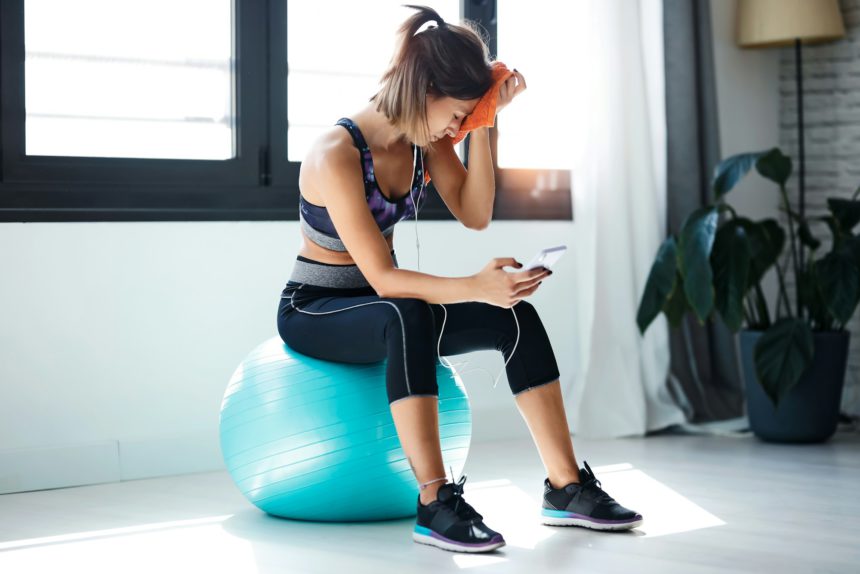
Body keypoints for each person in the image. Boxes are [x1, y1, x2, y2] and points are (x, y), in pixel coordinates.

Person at [277, 4, 643, 554]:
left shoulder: (427, 140)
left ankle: (566, 488)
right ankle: (434, 501)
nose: (459, 126)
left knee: (511, 314)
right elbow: (381, 277)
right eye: (458, 114)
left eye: (468, 117)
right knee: (404, 310)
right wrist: (474, 285)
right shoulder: (337, 153)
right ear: (424, 89)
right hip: (316, 310)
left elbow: (475, 214)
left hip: (390, 308)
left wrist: (490, 118)